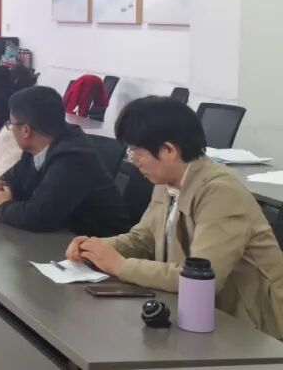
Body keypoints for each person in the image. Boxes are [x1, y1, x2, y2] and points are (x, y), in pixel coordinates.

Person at [66, 97, 283, 339]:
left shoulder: (220, 193)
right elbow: (143, 239)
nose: (132, 160)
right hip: (202, 316)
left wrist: (120, 266)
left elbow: (200, 280)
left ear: (169, 150)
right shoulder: (167, 182)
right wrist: (96, 248)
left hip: (255, 329)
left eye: (136, 151)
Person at [0, 86, 130, 236]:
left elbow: (40, 216)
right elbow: (13, 178)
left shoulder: (73, 158)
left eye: (11, 124)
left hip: (99, 242)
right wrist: (1, 189)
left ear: (26, 130)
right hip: (64, 236)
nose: (11, 129)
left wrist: (2, 205)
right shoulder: (37, 145)